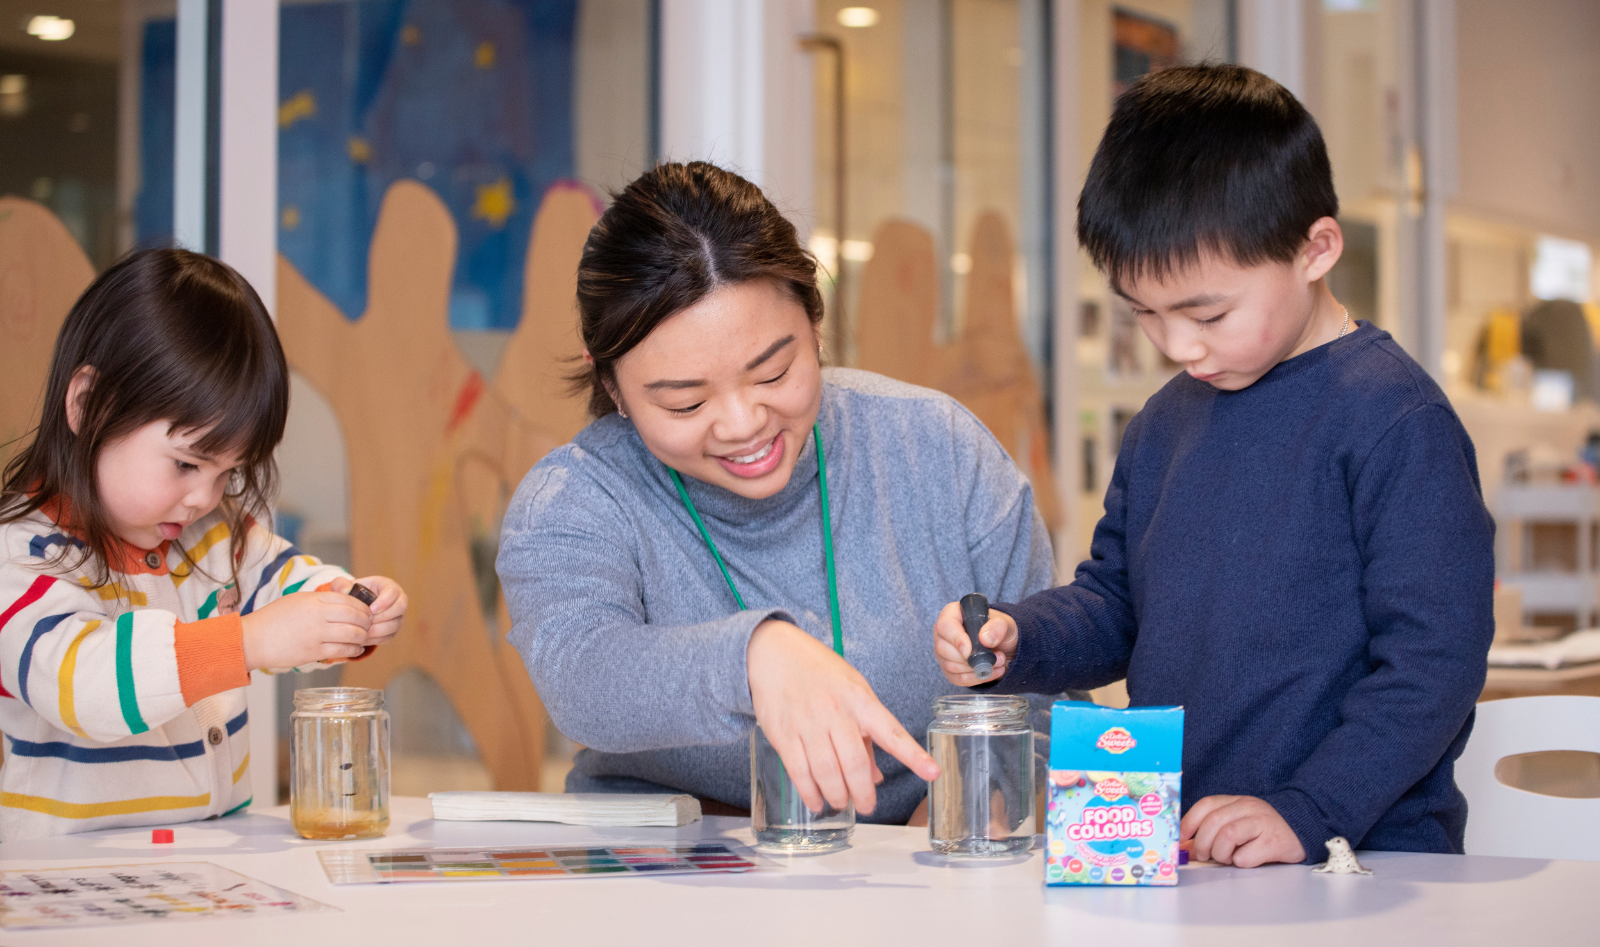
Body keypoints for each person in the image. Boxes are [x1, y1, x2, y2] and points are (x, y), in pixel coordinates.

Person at [934, 64, 1495, 866]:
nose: (1179, 346)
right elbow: (1117, 606)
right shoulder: (1167, 421)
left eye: (1209, 313)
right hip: (1180, 846)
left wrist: (1308, 811)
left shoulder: (1395, 420)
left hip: (1360, 857)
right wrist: (1024, 639)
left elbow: (1434, 662)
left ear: (1316, 249)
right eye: (1146, 316)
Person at [497, 162, 1058, 822]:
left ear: (815, 321)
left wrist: (970, 806)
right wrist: (755, 655)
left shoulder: (937, 447)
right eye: (684, 402)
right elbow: (581, 674)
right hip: (674, 878)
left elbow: (1049, 692)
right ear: (613, 386)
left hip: (920, 871)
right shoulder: (576, 499)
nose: (743, 425)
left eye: (774, 372)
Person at [0, 249, 408, 840]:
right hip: (68, 885)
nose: (203, 497)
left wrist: (348, 602)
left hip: (204, 868)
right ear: (88, 405)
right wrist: (251, 640)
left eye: (228, 474)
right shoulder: (23, 557)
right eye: (187, 463)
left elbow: (288, 581)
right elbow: (86, 688)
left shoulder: (212, 536)